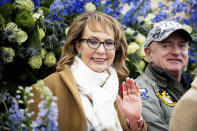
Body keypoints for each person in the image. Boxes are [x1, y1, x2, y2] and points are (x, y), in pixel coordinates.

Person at [30, 11, 146, 131]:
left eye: (109, 43)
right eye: (93, 41)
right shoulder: (47, 88)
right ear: (77, 45)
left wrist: (134, 120)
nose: (101, 50)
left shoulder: (119, 89)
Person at [135, 20, 194, 131]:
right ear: (148, 53)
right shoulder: (140, 89)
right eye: (166, 45)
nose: (176, 52)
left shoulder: (193, 85)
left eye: (182, 46)